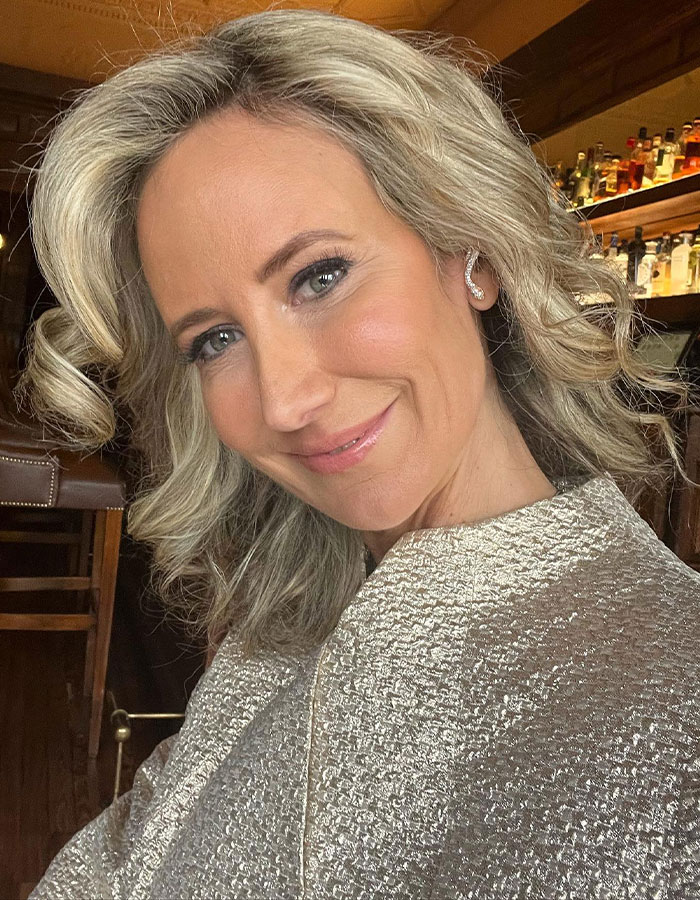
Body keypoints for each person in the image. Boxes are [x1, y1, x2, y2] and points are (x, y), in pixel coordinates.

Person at [23, 8, 699, 898]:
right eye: (215, 338)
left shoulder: (674, 701)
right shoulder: (280, 620)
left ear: (471, 251)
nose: (285, 399)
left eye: (320, 276)